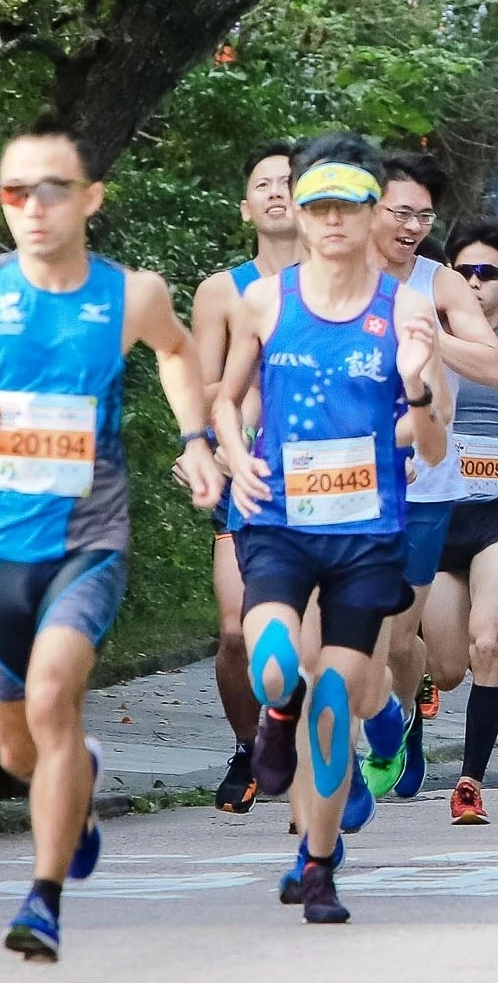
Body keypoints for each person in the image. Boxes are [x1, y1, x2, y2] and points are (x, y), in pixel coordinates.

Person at [0, 122, 224, 958]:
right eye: (16, 191)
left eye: (52, 189)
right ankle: (73, 778)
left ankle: (41, 902)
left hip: (92, 539)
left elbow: (179, 353)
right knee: (18, 748)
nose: (34, 206)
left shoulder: (132, 294)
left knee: (50, 696)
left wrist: (195, 442)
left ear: (90, 199)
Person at [207, 135, 451, 926]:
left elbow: (435, 439)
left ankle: (317, 866)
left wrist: (414, 393)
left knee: (335, 693)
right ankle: (272, 720)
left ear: (373, 214)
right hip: (278, 518)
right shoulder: (265, 301)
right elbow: (225, 398)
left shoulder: (407, 311)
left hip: (365, 533)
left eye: (348, 206)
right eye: (318, 207)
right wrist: (237, 455)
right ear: (301, 217)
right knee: (276, 664)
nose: (332, 221)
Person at [187, 142, 298, 813]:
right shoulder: (221, 291)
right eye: (264, 184)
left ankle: (312, 757)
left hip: (326, 482)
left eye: (290, 181)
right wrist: (210, 446)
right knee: (235, 631)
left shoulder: (343, 280)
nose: (278, 192)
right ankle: (245, 745)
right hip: (245, 472)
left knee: (308, 637)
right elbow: (201, 384)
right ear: (246, 206)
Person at [427, 219, 498, 824]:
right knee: (448, 666)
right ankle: (418, 686)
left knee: (488, 641)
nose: (473, 283)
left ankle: (469, 781)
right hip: (439, 516)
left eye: (485, 273)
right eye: (461, 273)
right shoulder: (417, 339)